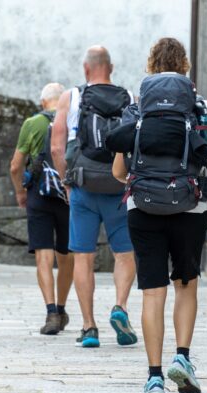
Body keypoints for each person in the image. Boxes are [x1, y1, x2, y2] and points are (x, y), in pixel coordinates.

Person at [111, 38, 207, 393]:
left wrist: (140, 183)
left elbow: (119, 170)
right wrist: (204, 188)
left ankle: (153, 378)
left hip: (143, 208)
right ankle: (182, 358)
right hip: (190, 209)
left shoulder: (137, 108)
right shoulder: (202, 108)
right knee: (186, 284)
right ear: (186, 66)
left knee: (153, 292)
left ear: (150, 66)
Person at [51, 46, 138, 348]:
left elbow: (57, 147)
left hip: (84, 186)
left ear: (86, 69)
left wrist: (67, 182)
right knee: (125, 254)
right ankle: (121, 307)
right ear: (110, 68)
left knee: (83, 257)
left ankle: (89, 328)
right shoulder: (128, 97)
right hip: (118, 187)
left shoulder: (71, 97)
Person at [9, 82, 74, 335]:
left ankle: (51, 313)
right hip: (68, 194)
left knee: (43, 256)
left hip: (39, 194)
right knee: (66, 254)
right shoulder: (71, 120)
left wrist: (20, 191)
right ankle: (61, 307)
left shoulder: (32, 123)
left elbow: (16, 165)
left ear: (42, 102)